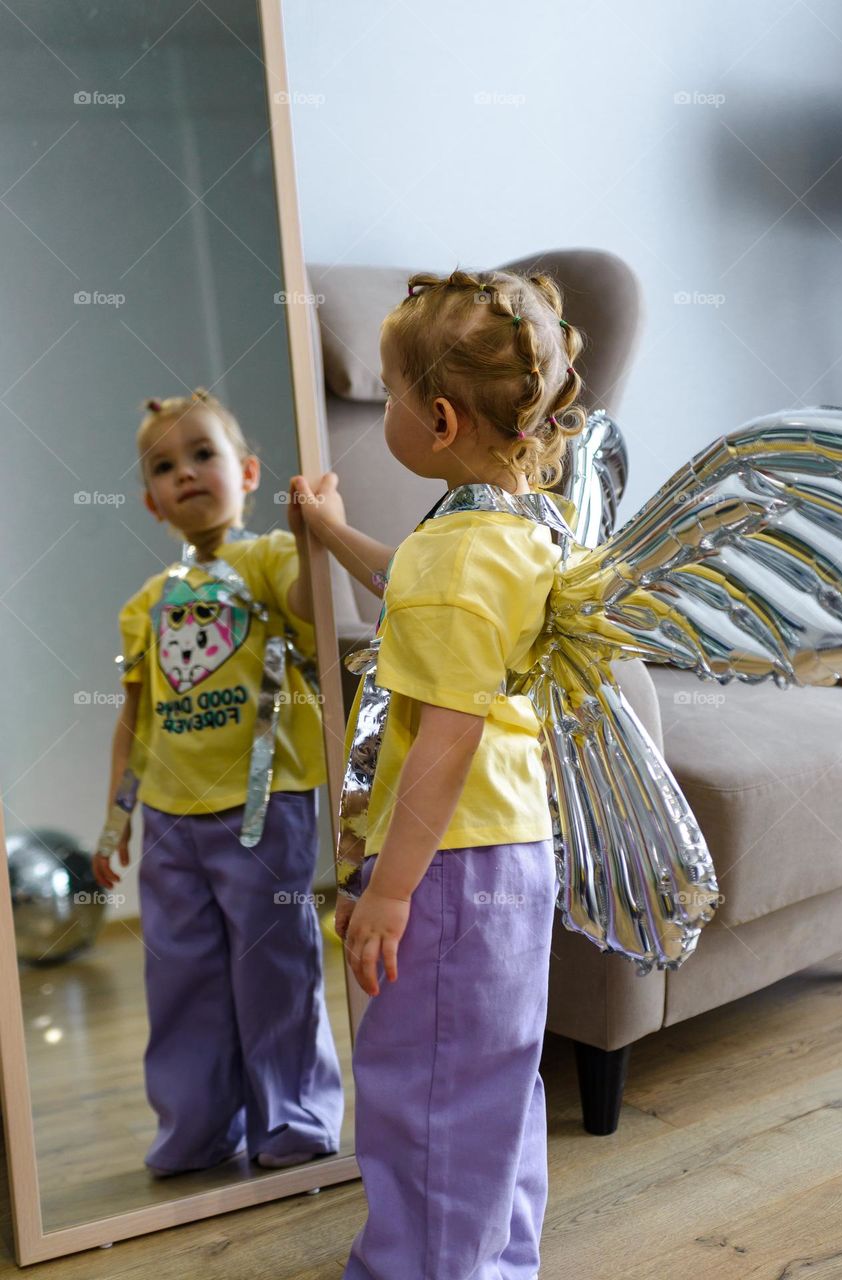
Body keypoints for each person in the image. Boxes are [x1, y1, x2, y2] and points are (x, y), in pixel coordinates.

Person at [294, 268, 586, 1279]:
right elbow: (407, 587)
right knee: (491, 1085)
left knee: (422, 1092)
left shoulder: (457, 558)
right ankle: (494, 1264)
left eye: (384, 394)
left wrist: (388, 888)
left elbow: (447, 733)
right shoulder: (512, 530)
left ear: (441, 416)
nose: (378, 408)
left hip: (449, 866)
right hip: (509, 855)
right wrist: (331, 535)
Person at [94, 387, 343, 1176]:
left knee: (273, 968)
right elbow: (135, 719)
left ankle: (293, 1119)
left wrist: (314, 537)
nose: (187, 473)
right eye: (166, 466)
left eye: (203, 454)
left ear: (247, 470)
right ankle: (197, 1127)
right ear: (150, 502)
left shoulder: (269, 559)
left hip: (266, 807)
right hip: (171, 820)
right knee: (181, 976)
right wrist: (115, 819)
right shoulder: (143, 607)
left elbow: (312, 605)